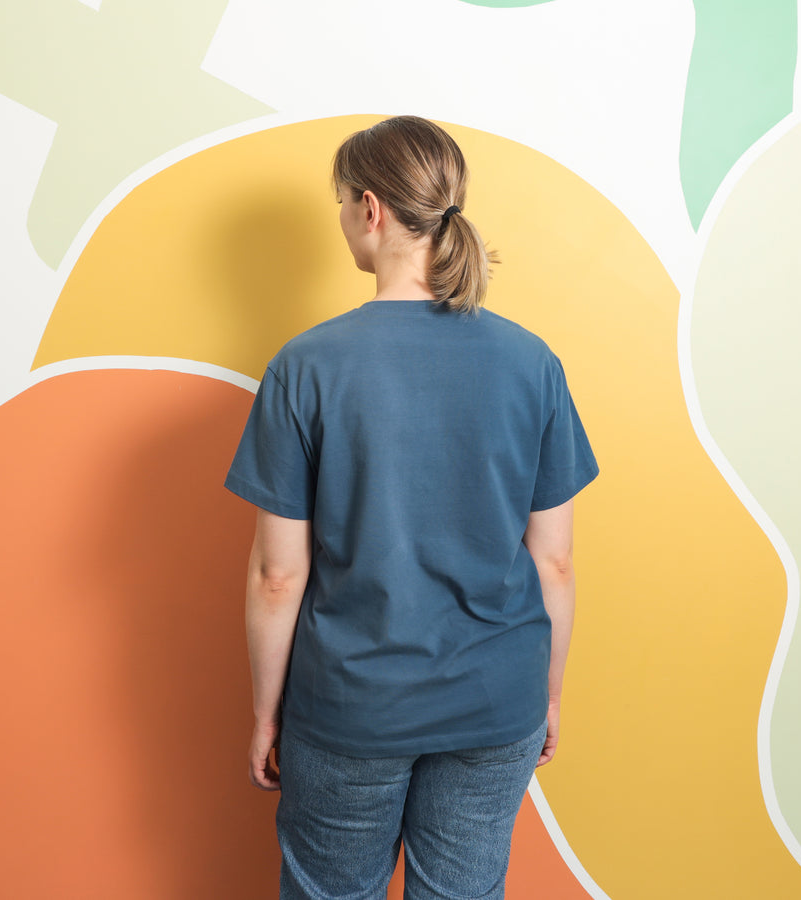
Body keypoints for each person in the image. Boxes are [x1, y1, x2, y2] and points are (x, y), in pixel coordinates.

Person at [225, 115, 598, 900]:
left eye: (340, 202)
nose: (341, 219)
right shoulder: (532, 363)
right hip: (497, 701)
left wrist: (265, 714)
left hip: (352, 705)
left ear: (370, 208)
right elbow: (555, 561)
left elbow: (277, 577)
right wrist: (549, 694)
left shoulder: (305, 367)